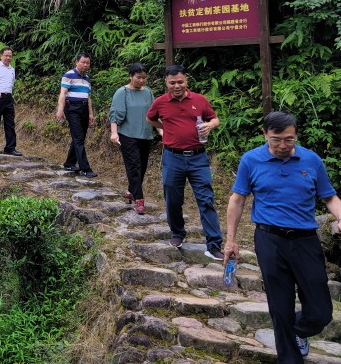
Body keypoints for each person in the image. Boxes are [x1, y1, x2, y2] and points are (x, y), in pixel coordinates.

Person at [224, 111, 341, 362]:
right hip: (269, 240)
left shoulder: (311, 160)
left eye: (289, 139)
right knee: (280, 305)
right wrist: (230, 240)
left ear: (296, 136)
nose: (282, 145)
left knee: (321, 311)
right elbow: (237, 200)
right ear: (265, 134)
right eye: (276, 139)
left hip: (305, 240)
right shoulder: (251, 160)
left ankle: (300, 330)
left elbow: (329, 197)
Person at [146, 63, 224, 260]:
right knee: (172, 198)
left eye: (180, 82)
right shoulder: (160, 102)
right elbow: (150, 119)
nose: (177, 86)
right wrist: (164, 128)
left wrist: (210, 125)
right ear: (166, 83)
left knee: (205, 199)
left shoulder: (200, 100)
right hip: (173, 157)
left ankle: (214, 244)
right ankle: (177, 233)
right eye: (172, 83)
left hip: (198, 157)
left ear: (186, 81)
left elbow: (215, 119)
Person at [109, 63, 160, 214]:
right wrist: (114, 133)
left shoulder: (148, 93)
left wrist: (162, 131)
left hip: (146, 135)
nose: (141, 80)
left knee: (142, 167)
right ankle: (139, 200)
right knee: (134, 166)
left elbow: (154, 115)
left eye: (144, 78)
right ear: (131, 76)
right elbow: (115, 114)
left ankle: (131, 192)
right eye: (138, 77)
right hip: (128, 135)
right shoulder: (122, 92)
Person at [55, 52, 98, 177]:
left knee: (80, 137)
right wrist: (60, 110)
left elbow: (88, 97)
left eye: (87, 63)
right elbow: (63, 93)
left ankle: (69, 163)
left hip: (84, 108)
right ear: (77, 62)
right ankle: (85, 168)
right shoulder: (69, 75)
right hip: (72, 108)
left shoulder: (87, 78)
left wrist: (91, 114)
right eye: (83, 62)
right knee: (79, 138)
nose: (85, 65)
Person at [0, 47, 21, 156]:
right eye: (6, 55)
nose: (8, 58)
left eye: (10, 56)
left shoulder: (12, 69)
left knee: (10, 123)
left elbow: (11, 83)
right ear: (1, 56)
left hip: (8, 98)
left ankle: (10, 147)